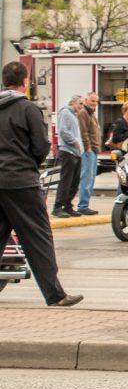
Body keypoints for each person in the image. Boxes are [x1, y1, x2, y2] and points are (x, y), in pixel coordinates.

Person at [0, 62, 83, 307]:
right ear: (25, 82)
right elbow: (40, 146)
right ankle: (55, 294)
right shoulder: (28, 109)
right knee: (38, 237)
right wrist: (31, 164)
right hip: (22, 181)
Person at [53, 95, 84, 218]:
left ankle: (68, 206)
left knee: (74, 182)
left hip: (76, 152)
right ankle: (58, 206)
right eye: (80, 104)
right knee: (66, 180)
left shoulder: (74, 115)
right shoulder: (66, 113)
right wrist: (75, 142)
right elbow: (63, 131)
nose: (82, 107)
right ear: (74, 103)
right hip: (68, 151)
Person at [76, 91, 101, 216]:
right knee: (87, 178)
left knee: (90, 178)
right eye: (92, 101)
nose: (94, 104)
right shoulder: (83, 113)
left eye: (96, 101)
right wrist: (88, 147)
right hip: (88, 151)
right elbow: (83, 132)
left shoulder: (91, 114)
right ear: (86, 100)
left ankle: (85, 204)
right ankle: (83, 205)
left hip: (94, 150)